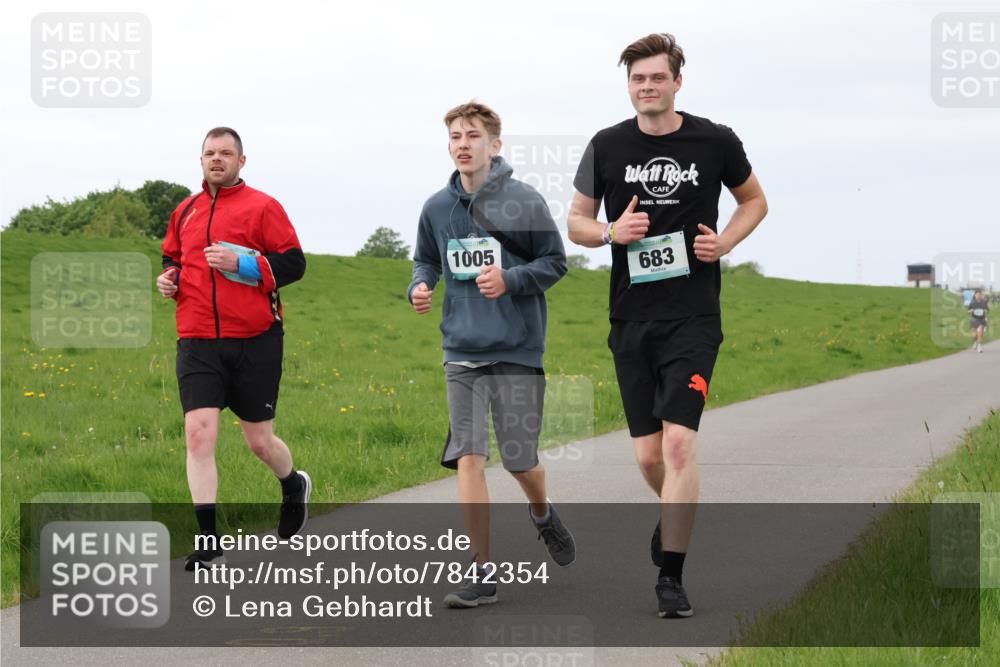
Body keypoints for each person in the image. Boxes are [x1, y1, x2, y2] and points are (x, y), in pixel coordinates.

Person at [568, 34, 768, 618]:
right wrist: (611, 233)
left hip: (694, 318)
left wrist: (724, 242)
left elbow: (754, 200)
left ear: (678, 81)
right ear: (628, 85)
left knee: (679, 447)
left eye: (657, 77)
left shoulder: (715, 140)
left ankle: (671, 578)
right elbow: (578, 222)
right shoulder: (607, 145)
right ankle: (674, 519)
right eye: (637, 79)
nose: (647, 87)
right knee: (650, 460)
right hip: (631, 319)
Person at [408, 101, 574, 608]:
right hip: (461, 349)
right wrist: (421, 284)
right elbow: (426, 258)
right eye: (455, 136)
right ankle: (481, 573)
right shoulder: (437, 206)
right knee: (470, 457)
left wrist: (510, 279)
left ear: (495, 145)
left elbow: (555, 262)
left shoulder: (524, 201)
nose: (463, 143)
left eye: (473, 135)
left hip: (518, 346)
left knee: (520, 460)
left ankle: (542, 511)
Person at [158, 127, 310, 570]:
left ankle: (292, 485)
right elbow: (173, 258)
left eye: (226, 153)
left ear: (242, 161)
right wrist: (169, 280)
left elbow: (293, 264)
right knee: (198, 434)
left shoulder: (263, 206)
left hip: (255, 341)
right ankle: (208, 544)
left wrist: (242, 263)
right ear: (200, 160)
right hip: (197, 339)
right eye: (209, 153)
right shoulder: (184, 210)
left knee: (259, 442)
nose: (216, 159)